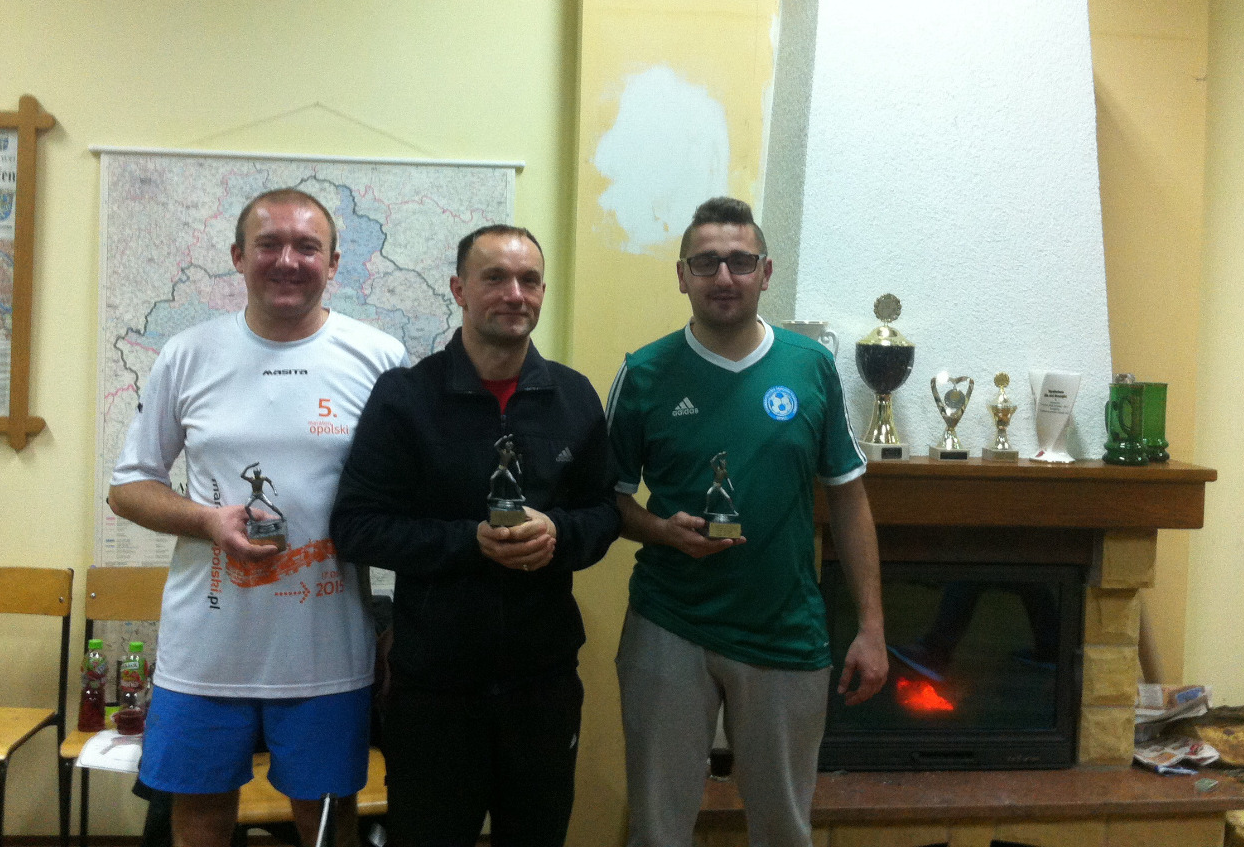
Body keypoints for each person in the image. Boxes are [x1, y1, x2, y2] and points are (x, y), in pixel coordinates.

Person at [109, 188, 408, 847]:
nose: (287, 260)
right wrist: (208, 521)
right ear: (238, 256)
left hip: (327, 652)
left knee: (325, 822)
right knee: (198, 817)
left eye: (307, 247)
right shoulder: (188, 353)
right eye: (269, 244)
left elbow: (408, 495)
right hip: (206, 653)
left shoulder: (380, 358)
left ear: (333, 263)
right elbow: (128, 487)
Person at [607, 196, 888, 847]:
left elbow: (848, 500)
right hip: (669, 624)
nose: (724, 276)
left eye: (740, 261)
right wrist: (662, 531)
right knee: (656, 830)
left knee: (785, 830)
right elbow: (605, 502)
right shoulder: (642, 373)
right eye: (706, 262)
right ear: (682, 276)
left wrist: (872, 628)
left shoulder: (810, 367)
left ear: (766, 272)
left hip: (784, 630)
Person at [330, 224, 620, 847]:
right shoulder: (406, 397)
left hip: (543, 685)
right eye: (495, 278)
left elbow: (604, 513)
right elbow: (356, 527)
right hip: (434, 689)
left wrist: (559, 533)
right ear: (459, 289)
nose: (515, 294)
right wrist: (470, 542)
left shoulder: (572, 396)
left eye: (529, 280)